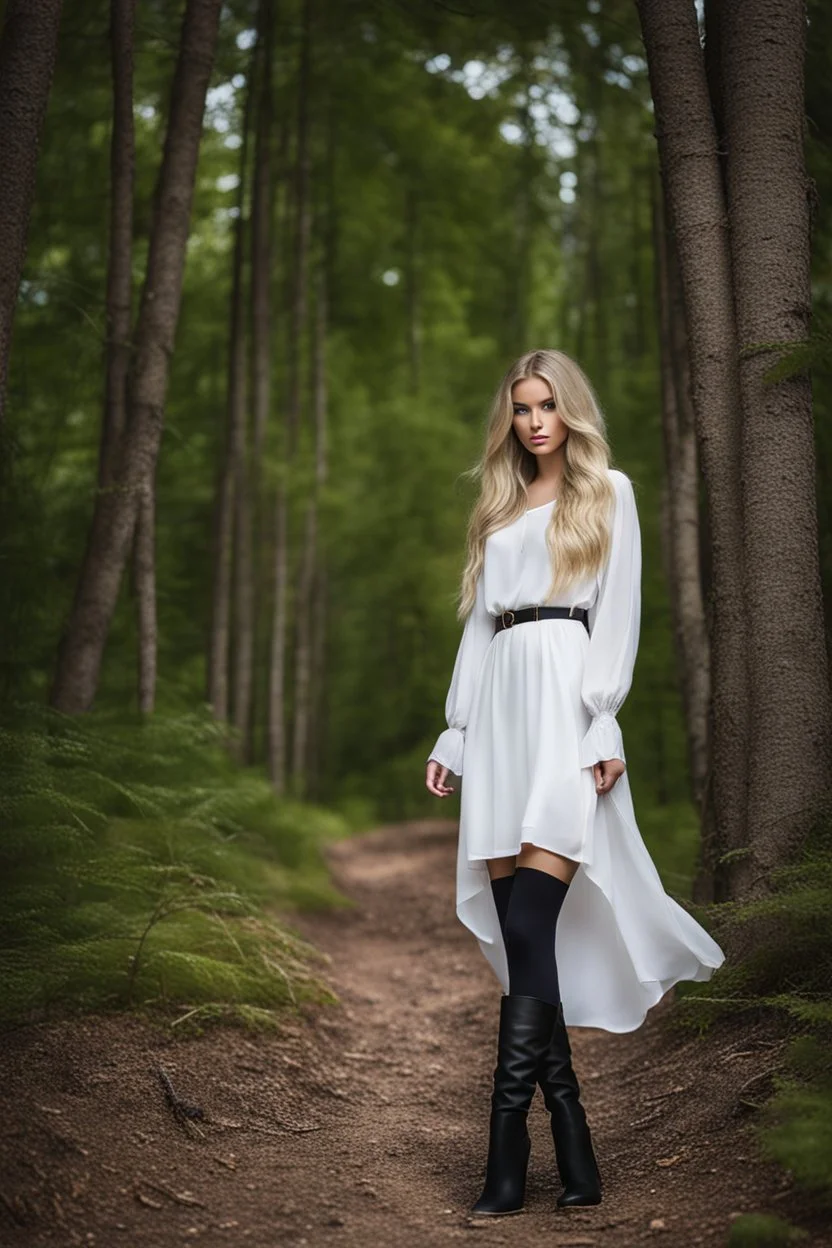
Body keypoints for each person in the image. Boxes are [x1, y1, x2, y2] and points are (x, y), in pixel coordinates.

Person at [424, 349, 725, 1217]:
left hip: (563, 712)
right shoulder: (496, 507)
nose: (536, 421)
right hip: (501, 723)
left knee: (529, 920)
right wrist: (456, 730)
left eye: (548, 405)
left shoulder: (610, 493)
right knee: (526, 948)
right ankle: (575, 1148)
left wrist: (603, 717)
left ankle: (504, 1162)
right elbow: (480, 631)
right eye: (522, 409)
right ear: (510, 420)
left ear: (571, 411)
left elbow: (618, 613)